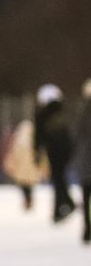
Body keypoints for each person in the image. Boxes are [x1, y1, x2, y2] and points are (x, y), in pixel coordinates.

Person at [34, 83, 75, 224]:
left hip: (53, 151)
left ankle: (63, 206)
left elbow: (38, 136)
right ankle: (63, 206)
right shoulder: (64, 112)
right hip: (65, 151)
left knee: (58, 180)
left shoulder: (42, 114)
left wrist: (37, 153)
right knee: (60, 179)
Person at [72, 79, 91, 245]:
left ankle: (87, 229)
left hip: (86, 162)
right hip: (86, 160)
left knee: (86, 197)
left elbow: (77, 134)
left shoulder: (83, 110)